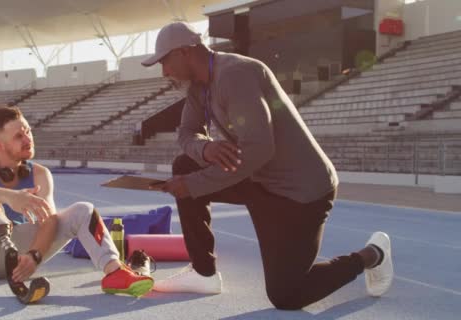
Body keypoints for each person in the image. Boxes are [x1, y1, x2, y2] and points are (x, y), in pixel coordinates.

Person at [141, 22, 394, 310]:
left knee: (287, 295)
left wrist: (194, 185)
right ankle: (203, 272)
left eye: (164, 61)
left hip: (300, 193)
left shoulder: (235, 74)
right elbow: (186, 134)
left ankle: (372, 255)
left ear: (185, 52)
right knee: (185, 165)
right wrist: (206, 147)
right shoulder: (199, 89)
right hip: (260, 180)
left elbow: (259, 149)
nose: (164, 72)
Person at [0, 106, 153, 298]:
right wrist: (11, 196)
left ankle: (115, 273)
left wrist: (34, 255)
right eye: (19, 136)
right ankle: (7, 246)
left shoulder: (39, 173)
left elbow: (49, 221)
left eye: (28, 131)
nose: (28, 139)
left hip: (21, 259)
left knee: (83, 210)